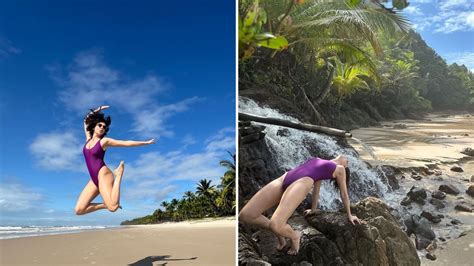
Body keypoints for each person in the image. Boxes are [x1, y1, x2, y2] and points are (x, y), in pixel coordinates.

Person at [238, 155, 361, 255]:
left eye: (348, 163)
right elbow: (316, 191)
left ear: (345, 166)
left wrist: (349, 215)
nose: (347, 160)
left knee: (275, 224)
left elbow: (344, 194)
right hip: (286, 177)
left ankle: (295, 236)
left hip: (302, 182)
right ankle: (281, 236)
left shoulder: (340, 169)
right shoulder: (321, 160)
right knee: (246, 215)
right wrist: (313, 209)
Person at [74, 105, 155, 215]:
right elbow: (85, 121)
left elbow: (126, 143)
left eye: (104, 127)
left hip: (103, 174)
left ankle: (119, 174)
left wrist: (145, 143)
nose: (102, 127)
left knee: (113, 207)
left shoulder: (104, 142)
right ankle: (104, 205)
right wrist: (98, 109)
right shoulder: (88, 140)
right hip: (93, 179)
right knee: (79, 210)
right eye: (100, 125)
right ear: (94, 126)